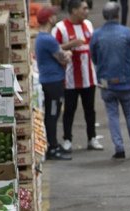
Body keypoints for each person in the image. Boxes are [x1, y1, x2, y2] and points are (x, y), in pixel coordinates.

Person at [89, 2, 130, 160]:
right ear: (118, 15)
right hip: (125, 80)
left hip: (106, 82)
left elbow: (94, 57)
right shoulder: (127, 32)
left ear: (103, 16)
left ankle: (119, 149)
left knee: (112, 115)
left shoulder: (97, 35)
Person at [54, 0, 103, 152]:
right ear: (74, 10)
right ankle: (67, 139)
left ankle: (92, 138)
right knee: (69, 110)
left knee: (90, 109)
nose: (87, 11)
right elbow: (53, 47)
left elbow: (93, 46)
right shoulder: (60, 28)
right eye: (84, 8)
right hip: (70, 79)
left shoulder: (88, 24)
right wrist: (70, 44)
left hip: (89, 77)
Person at [37, 7, 73, 161]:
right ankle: (52, 147)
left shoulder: (41, 38)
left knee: (54, 113)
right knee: (52, 115)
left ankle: (54, 144)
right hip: (53, 83)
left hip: (50, 81)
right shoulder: (48, 39)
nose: (55, 17)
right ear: (49, 19)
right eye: (53, 15)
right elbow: (62, 58)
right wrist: (69, 53)